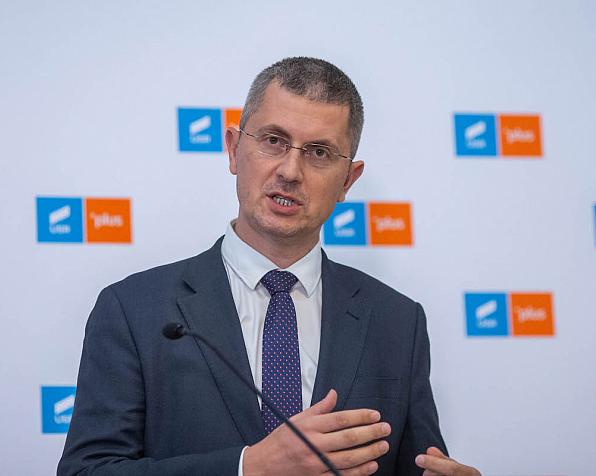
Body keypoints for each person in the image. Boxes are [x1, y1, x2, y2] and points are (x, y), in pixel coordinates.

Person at [58, 57, 479, 475]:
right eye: (274, 141)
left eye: (319, 152)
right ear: (233, 150)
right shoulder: (134, 309)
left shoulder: (397, 321)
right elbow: (86, 472)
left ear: (348, 181)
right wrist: (248, 467)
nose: (290, 171)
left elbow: (421, 464)